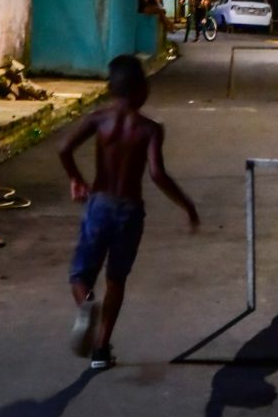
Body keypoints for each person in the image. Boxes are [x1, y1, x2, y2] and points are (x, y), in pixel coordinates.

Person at [58, 55, 199, 370]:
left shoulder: (98, 120)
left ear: (111, 89)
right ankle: (101, 349)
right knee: (116, 280)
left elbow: (64, 149)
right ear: (141, 90)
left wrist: (76, 179)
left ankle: (86, 305)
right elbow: (157, 174)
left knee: (80, 275)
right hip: (130, 210)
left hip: (100, 204)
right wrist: (187, 205)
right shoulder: (150, 129)